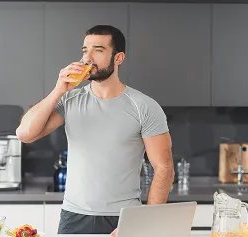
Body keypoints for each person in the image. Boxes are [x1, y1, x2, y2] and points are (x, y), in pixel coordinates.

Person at [16, 25, 175, 236]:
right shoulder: (70, 100)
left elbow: (164, 168)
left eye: (98, 50)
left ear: (118, 58)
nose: (87, 58)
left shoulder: (144, 106)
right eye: (85, 50)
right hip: (73, 217)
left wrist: (145, 223)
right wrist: (58, 90)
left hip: (124, 217)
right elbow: (25, 134)